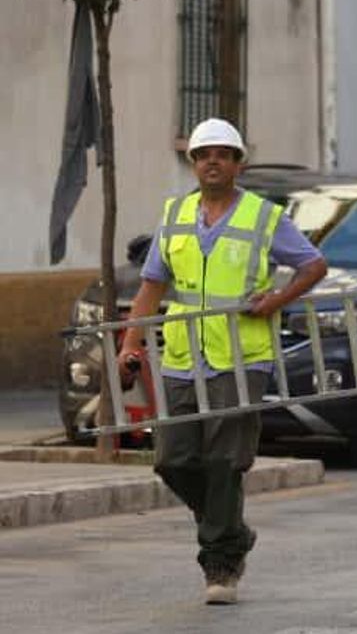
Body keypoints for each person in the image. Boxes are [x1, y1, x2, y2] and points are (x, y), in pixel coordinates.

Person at [116, 118, 327, 606]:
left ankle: (221, 564)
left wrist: (276, 300)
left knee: (225, 461)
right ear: (193, 163)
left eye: (222, 154)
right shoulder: (175, 214)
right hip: (183, 357)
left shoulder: (263, 216)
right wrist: (130, 345)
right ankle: (230, 529)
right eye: (203, 154)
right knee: (172, 460)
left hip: (241, 357)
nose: (212, 162)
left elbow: (313, 265)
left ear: (237, 164)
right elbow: (152, 286)